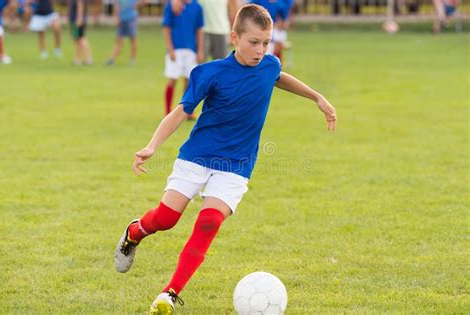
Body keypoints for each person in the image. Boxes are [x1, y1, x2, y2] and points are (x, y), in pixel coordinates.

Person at [114, 4, 337, 314]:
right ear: (235, 37)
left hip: (237, 165)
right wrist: (152, 146)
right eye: (253, 42)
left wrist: (317, 97)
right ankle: (134, 232)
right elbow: (180, 112)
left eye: (266, 42)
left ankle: (169, 294)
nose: (260, 50)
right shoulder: (210, 72)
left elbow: (279, 75)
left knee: (208, 222)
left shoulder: (269, 65)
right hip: (197, 156)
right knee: (167, 218)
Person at [162, 0, 203, 119]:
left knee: (189, 82)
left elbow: (199, 30)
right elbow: (166, 27)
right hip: (176, 49)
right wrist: (170, 49)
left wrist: (200, 50)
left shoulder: (197, 7)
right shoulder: (171, 4)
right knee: (172, 80)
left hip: (191, 50)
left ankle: (187, 112)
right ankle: (167, 111)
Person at [172, 0, 240, 61]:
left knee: (222, 66)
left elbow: (234, 13)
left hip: (222, 31)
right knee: (199, 64)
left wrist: (233, 33)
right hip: (202, 32)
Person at [105, 0, 145, 65]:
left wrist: (136, 5)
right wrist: (116, 18)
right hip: (121, 20)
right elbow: (116, 7)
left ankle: (133, 60)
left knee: (133, 40)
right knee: (118, 41)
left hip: (131, 20)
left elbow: (144, 2)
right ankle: (112, 59)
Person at [69, 0, 93, 65]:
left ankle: (88, 58)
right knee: (77, 40)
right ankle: (77, 59)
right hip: (74, 20)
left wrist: (79, 19)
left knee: (81, 39)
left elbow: (80, 5)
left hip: (77, 20)